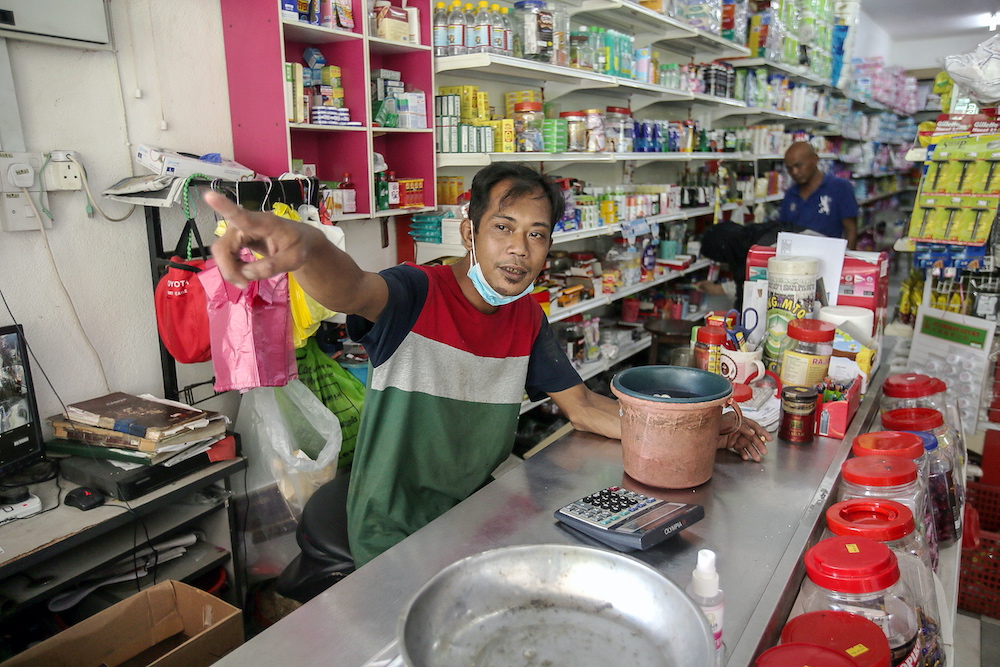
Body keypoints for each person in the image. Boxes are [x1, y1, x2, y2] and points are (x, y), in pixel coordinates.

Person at [204, 163, 772, 566]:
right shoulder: (414, 293)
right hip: (397, 525)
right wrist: (307, 245)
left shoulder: (525, 318)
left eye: (537, 235)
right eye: (503, 228)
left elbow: (586, 409)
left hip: (480, 510)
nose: (519, 250)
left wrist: (697, 435)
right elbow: (351, 287)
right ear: (468, 231)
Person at [779, 142, 859, 250]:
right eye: (789, 168)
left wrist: (848, 260)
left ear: (815, 159)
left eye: (798, 165)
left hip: (829, 258)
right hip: (797, 260)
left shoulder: (840, 187)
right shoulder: (790, 194)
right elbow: (783, 230)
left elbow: (851, 229)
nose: (794, 172)